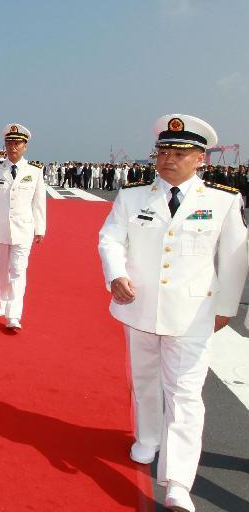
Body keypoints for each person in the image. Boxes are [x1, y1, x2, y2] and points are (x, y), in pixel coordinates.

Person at [98, 114, 248, 512]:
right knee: (144, 380)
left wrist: (226, 308)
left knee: (185, 395)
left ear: (200, 158)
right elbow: (110, 238)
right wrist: (115, 274)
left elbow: (234, 259)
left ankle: (179, 481)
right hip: (140, 308)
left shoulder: (222, 200)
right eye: (163, 151)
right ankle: (148, 438)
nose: (167, 159)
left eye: (178, 153)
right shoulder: (132, 196)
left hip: (193, 314)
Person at [0, 123, 46, 332]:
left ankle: (14, 315)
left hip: (24, 228)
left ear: (25, 146)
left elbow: (39, 202)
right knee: (1, 270)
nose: (12, 147)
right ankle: (0, 301)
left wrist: (40, 228)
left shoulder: (34, 172)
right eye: (9, 143)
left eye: (17, 143)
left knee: (18, 270)